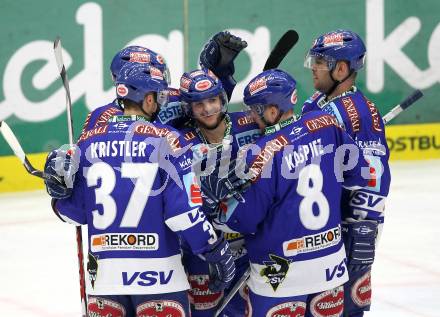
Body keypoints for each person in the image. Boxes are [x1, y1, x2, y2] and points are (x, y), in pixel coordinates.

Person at [43, 63, 235, 317]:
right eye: (156, 97)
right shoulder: (167, 140)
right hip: (160, 279)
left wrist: (57, 190)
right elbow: (182, 214)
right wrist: (213, 248)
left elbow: (72, 213)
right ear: (147, 99)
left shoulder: (88, 141)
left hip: (104, 280)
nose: (159, 104)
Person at [201, 68, 370, 317]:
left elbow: (244, 220)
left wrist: (217, 211)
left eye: (254, 110)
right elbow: (360, 175)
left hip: (279, 273)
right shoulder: (326, 124)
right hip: (330, 264)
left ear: (271, 111)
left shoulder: (259, 153)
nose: (251, 116)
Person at [302, 29, 391, 317]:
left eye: (320, 61)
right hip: (316, 224)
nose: (313, 66)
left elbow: (374, 177)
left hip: (347, 230)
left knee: (345, 308)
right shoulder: (316, 102)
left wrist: (362, 230)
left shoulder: (360, 114)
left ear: (341, 69)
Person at [178, 68, 260, 317]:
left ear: (222, 99)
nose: (207, 109)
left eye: (212, 100)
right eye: (199, 104)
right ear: (188, 108)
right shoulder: (182, 141)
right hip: (207, 249)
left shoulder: (251, 125)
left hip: (251, 246)